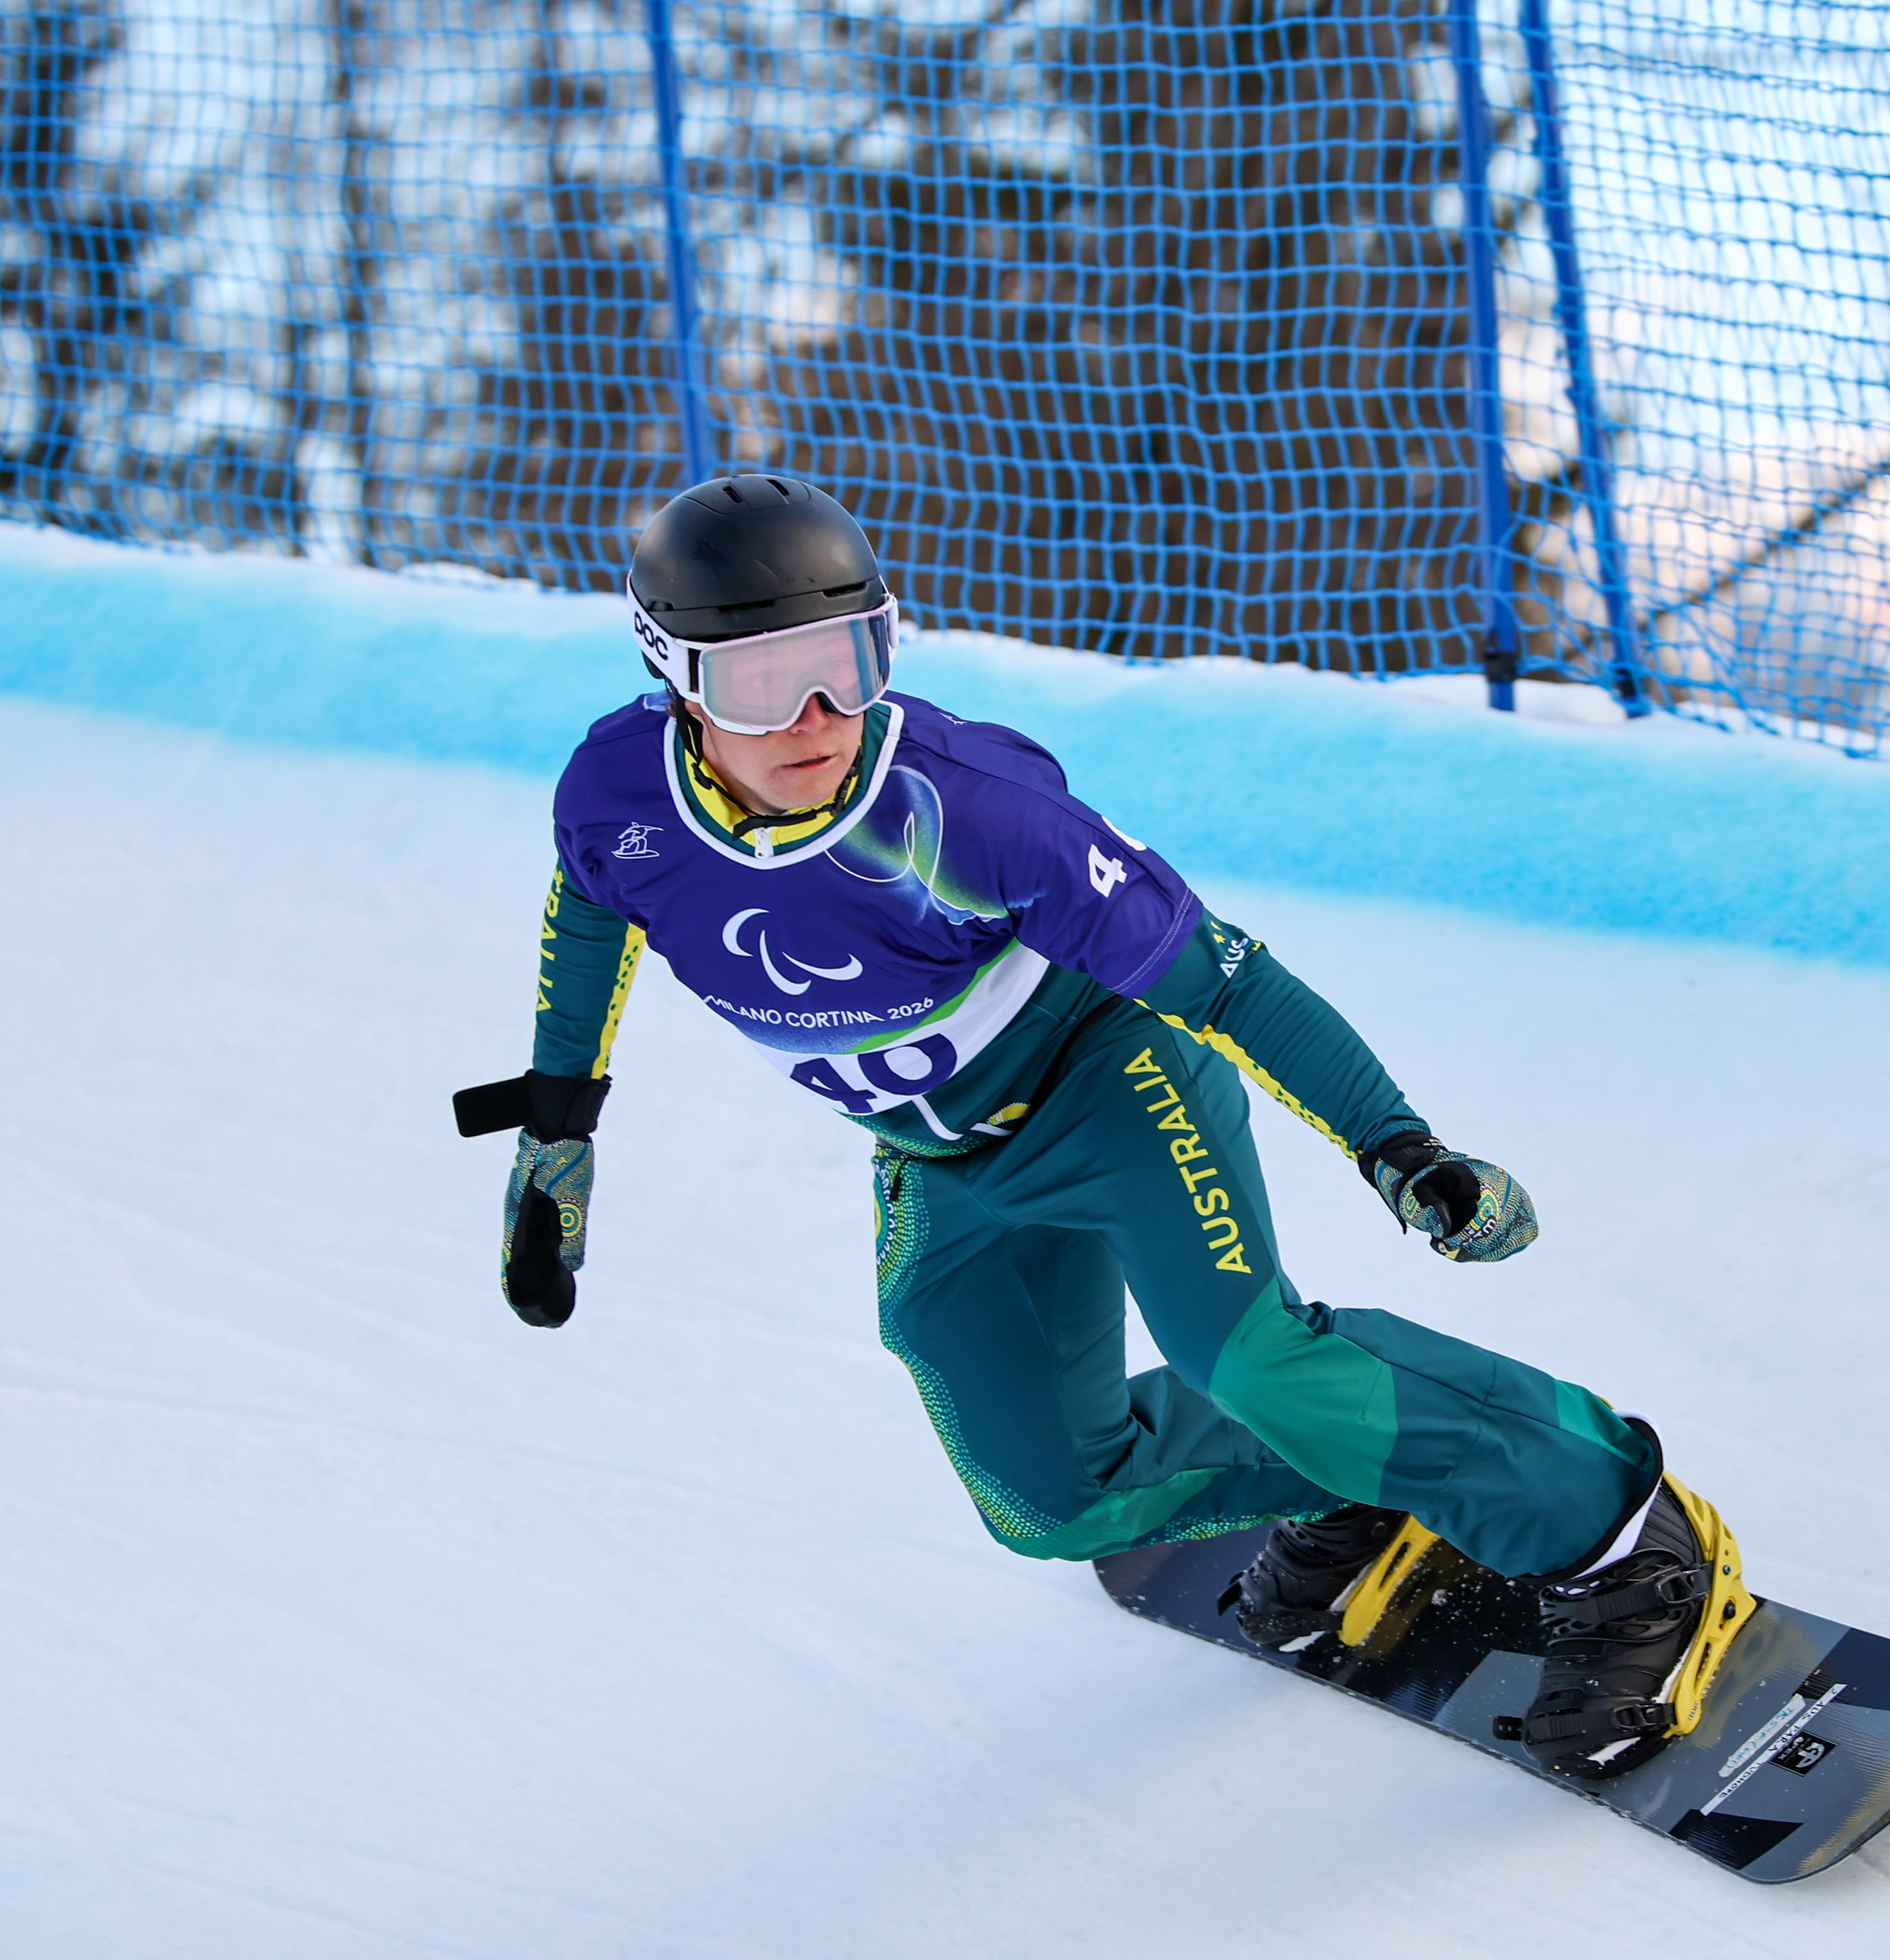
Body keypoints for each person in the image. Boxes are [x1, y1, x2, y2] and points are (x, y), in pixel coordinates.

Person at [453, 473, 1751, 1779]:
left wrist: (1400, 1147)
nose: (816, 717)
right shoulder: (617, 793)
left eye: (847, 665)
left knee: (1254, 1360)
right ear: (675, 676)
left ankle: (1617, 1526)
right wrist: (555, 1135)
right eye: (762, 681)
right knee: (1045, 1495)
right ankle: (1356, 1477)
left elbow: (1226, 979)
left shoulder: (963, 813)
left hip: (1109, 1082)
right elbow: (589, 912)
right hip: (941, 1153)